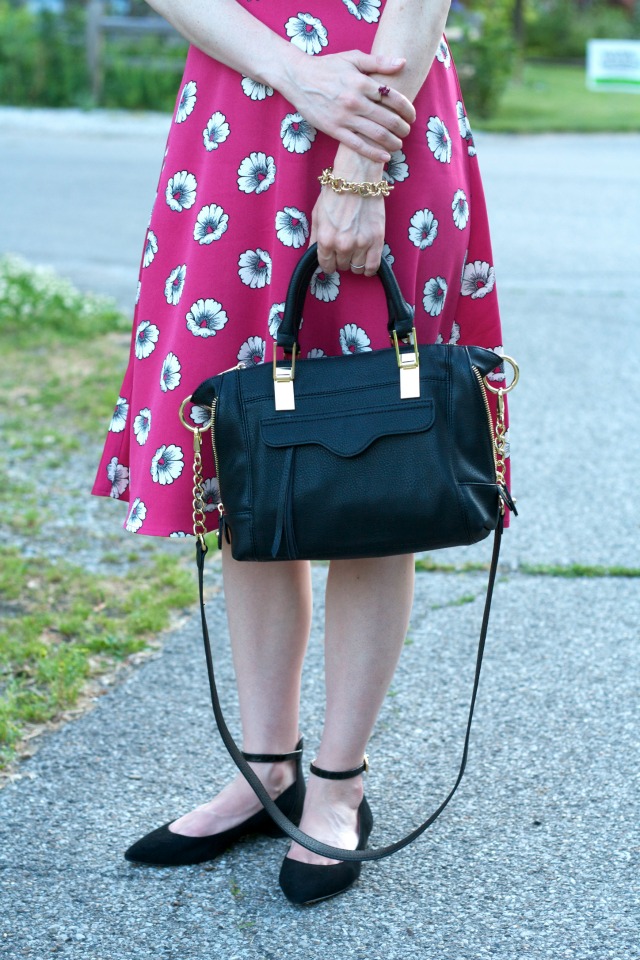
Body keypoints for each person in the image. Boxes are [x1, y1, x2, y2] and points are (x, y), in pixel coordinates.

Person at [93, 0, 506, 905]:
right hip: (240, 114)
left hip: (383, 110)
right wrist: (290, 71)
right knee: (247, 458)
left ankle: (339, 782)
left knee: (375, 459)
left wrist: (360, 164)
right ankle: (265, 769)